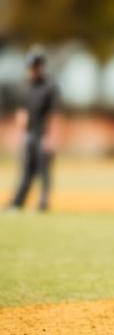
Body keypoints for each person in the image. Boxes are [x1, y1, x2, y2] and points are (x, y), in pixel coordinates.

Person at [5, 47, 58, 212]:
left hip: (44, 133)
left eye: (35, 66)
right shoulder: (25, 85)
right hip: (28, 133)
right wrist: (20, 121)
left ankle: (43, 202)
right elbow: (21, 108)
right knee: (26, 170)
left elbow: (53, 113)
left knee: (43, 170)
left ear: (41, 66)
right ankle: (17, 203)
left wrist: (50, 136)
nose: (32, 70)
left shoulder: (49, 87)